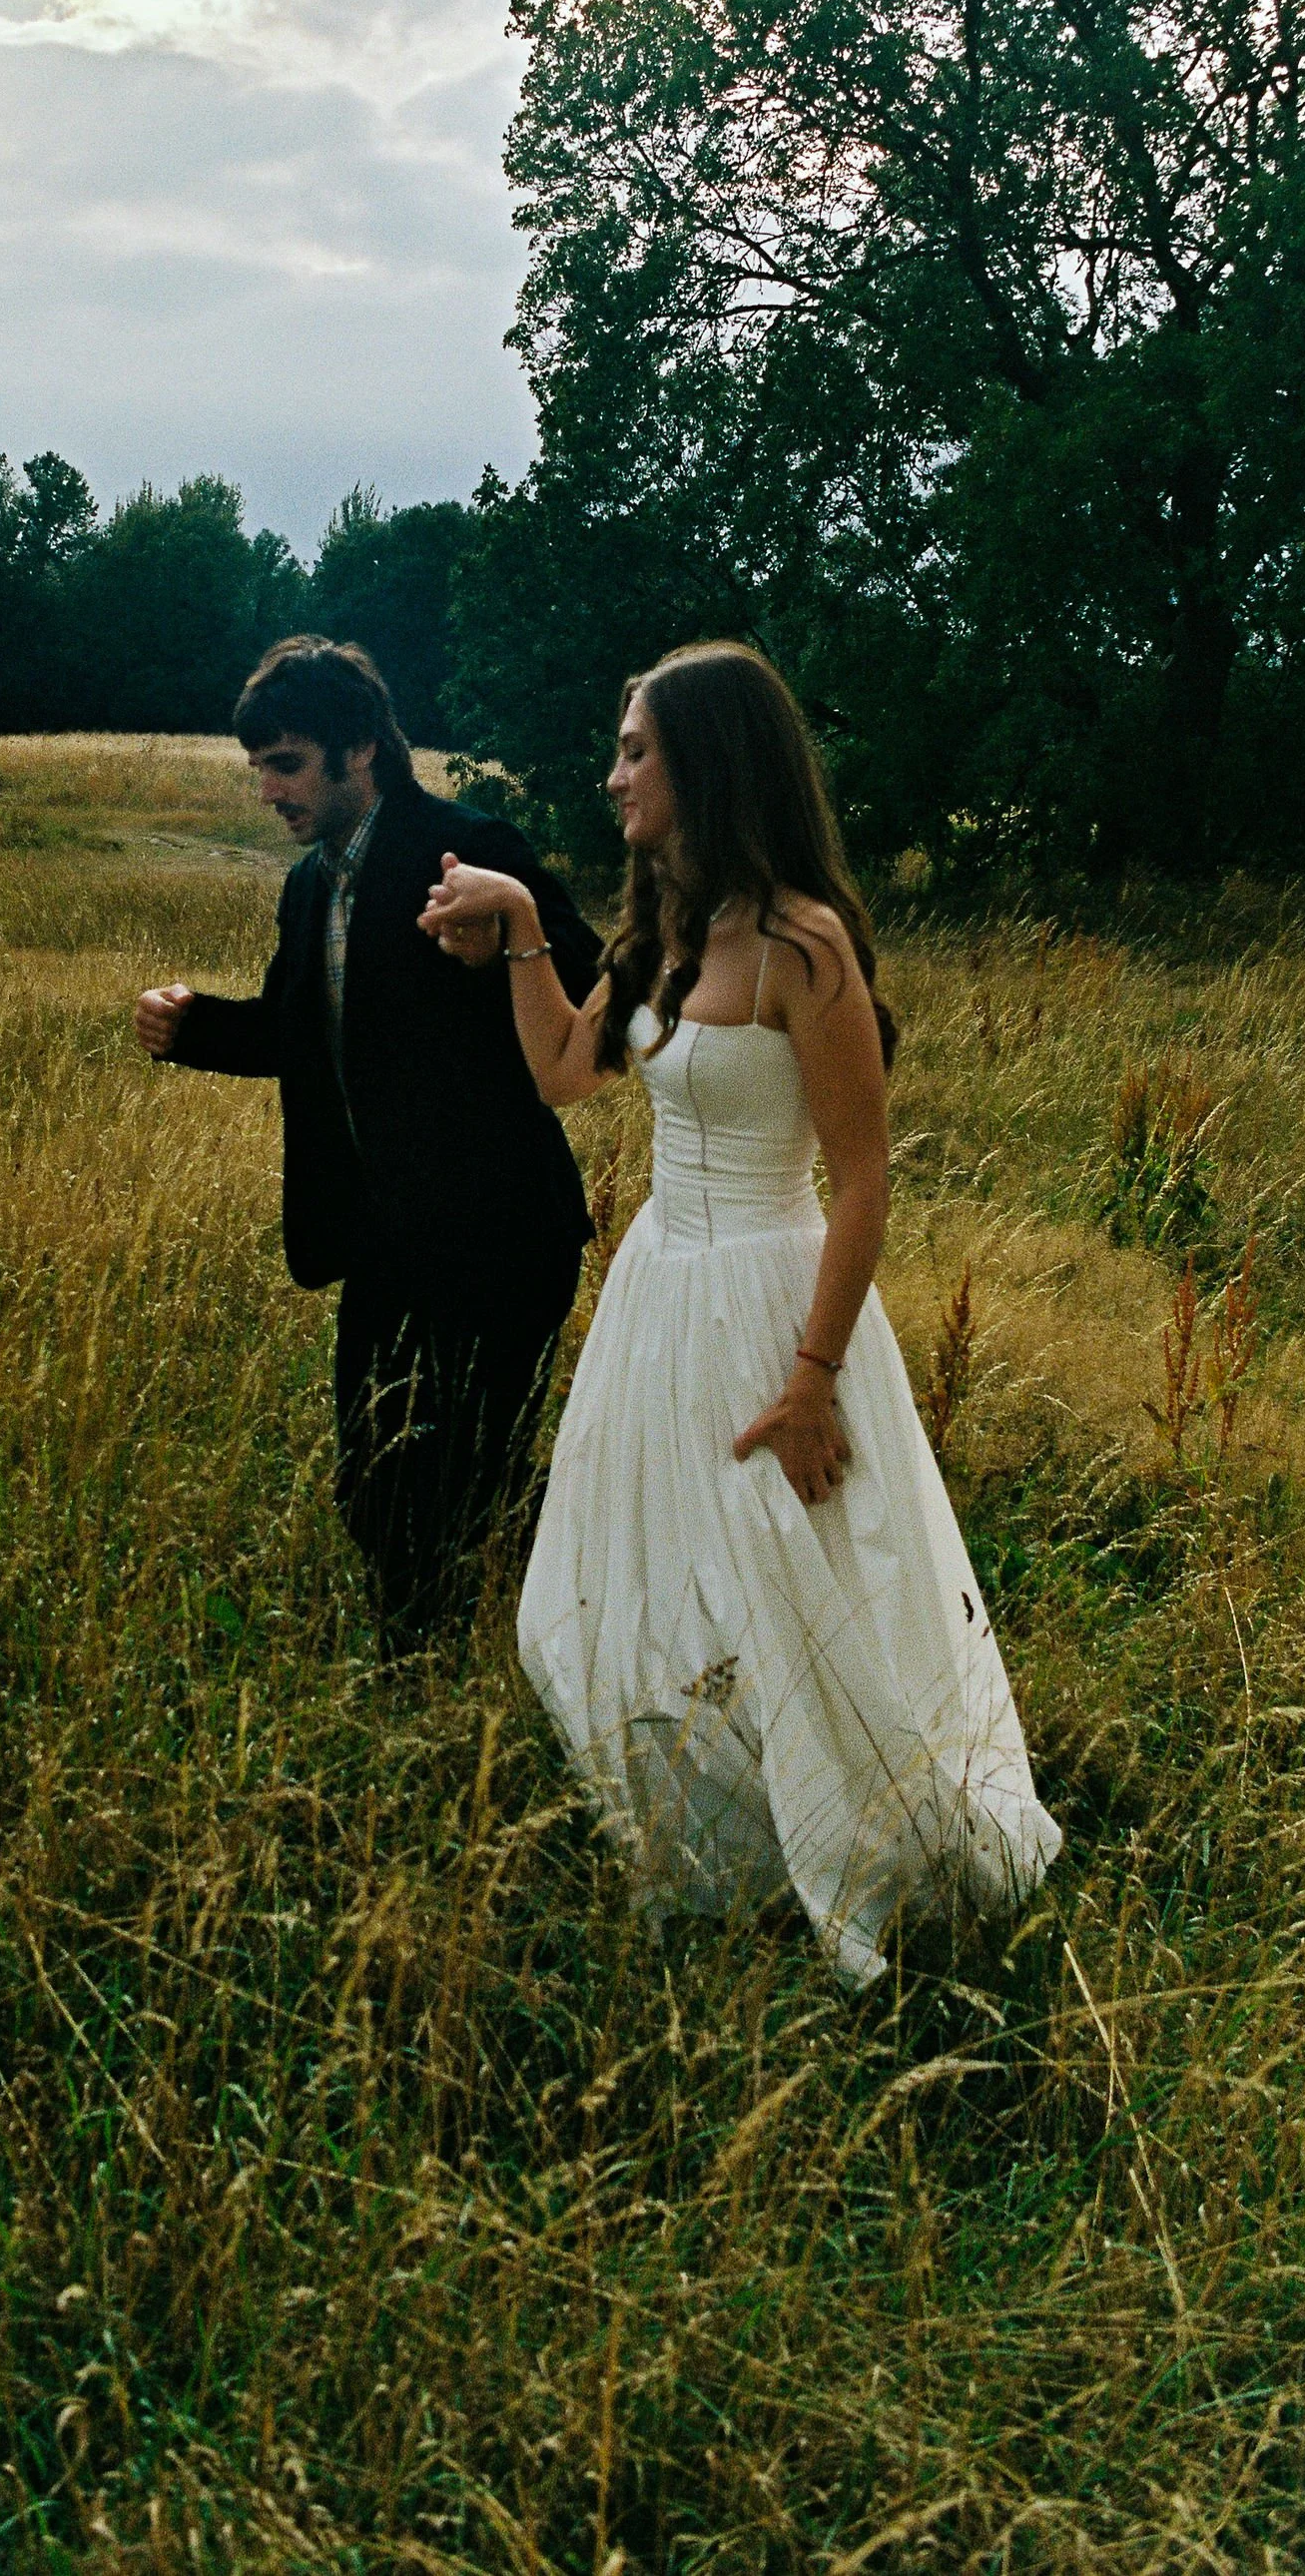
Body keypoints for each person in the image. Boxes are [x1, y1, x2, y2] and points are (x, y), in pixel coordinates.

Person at [419, 642, 1059, 1985]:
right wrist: (527, 928)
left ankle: (849, 1838)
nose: (615, 776)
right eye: (618, 748)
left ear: (712, 760)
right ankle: (716, 1845)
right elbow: (559, 1075)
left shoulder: (799, 944)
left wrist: (815, 1377)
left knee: (795, 1586)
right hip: (662, 1291)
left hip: (778, 1297)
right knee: (610, 1588)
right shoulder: (662, 930)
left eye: (638, 749)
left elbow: (866, 1173)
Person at [137, 637, 603, 1652]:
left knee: (453, 1484)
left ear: (361, 751)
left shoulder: (467, 844)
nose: (265, 789)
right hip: (383, 1243)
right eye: (255, 766)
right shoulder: (310, 887)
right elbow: (297, 1031)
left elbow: (591, 986)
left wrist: (498, 951)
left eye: (286, 762)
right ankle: (437, 1664)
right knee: (372, 1475)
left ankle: (453, 1678)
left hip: (500, 1238)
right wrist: (192, 1027)